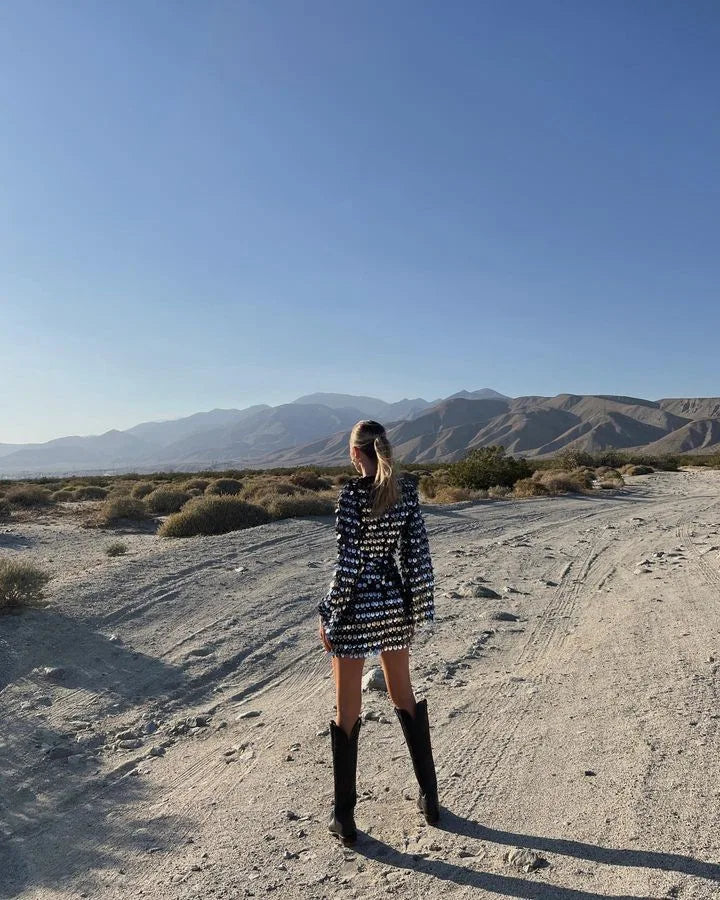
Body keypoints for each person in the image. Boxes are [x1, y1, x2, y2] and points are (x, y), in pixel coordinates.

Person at [317, 419, 439, 845]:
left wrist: (329, 614)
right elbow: (417, 555)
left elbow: (348, 564)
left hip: (356, 610)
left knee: (346, 711)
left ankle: (344, 818)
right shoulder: (406, 492)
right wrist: (418, 608)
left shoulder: (351, 496)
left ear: (354, 454)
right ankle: (431, 798)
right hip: (394, 605)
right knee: (402, 694)